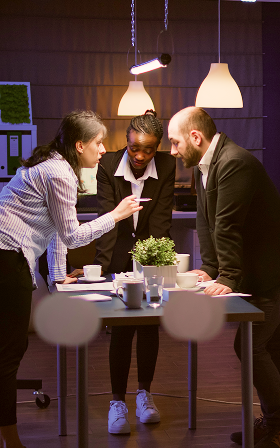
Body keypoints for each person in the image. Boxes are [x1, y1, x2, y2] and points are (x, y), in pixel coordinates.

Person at [0, 110, 142, 448]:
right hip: (6, 259)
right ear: (80, 145)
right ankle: (12, 441)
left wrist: (58, 282)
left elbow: (55, 234)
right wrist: (117, 215)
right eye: (98, 142)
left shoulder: (52, 163)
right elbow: (74, 235)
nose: (104, 149)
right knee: (9, 353)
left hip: (7, 256)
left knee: (7, 350)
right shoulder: (60, 173)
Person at [168, 106, 280, 447]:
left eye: (175, 143)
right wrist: (212, 268)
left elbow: (228, 225)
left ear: (195, 137)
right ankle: (273, 427)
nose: (173, 151)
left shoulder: (233, 162)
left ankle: (275, 423)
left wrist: (227, 276)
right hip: (255, 275)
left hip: (268, 276)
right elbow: (207, 223)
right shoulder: (205, 167)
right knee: (267, 349)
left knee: (251, 347)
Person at [70, 110, 176, 434]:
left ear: (158, 146)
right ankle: (117, 402)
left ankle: (145, 394)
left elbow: (160, 223)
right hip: (116, 255)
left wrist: (157, 264)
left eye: (149, 149)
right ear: (126, 141)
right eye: (134, 148)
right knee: (122, 329)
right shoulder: (107, 165)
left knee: (149, 327)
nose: (141, 156)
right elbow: (108, 220)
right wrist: (99, 269)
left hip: (150, 254)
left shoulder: (169, 166)